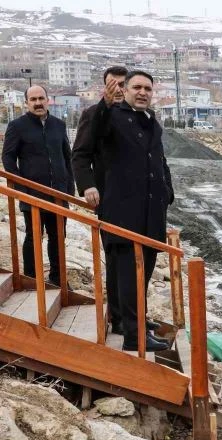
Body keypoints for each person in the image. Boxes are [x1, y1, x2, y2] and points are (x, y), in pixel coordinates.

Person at [93, 70, 174, 352]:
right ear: (125, 90)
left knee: (144, 274)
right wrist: (104, 104)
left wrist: (167, 192)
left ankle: (138, 324)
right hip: (124, 214)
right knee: (129, 276)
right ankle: (133, 336)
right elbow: (95, 132)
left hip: (151, 213)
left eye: (147, 89)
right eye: (137, 87)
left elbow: (159, 160)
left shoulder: (150, 120)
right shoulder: (112, 117)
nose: (142, 92)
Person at [72, 66, 127, 334]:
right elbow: (80, 154)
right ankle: (119, 318)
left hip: (138, 200)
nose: (118, 89)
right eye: (112, 84)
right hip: (110, 199)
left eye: (122, 84)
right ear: (104, 87)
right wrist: (87, 185)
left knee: (139, 259)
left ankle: (137, 314)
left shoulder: (138, 115)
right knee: (116, 259)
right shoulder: (92, 114)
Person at [1, 85, 74, 286]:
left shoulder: (59, 125)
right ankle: (31, 279)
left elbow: (67, 158)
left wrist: (69, 189)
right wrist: (20, 189)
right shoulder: (17, 126)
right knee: (33, 237)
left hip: (58, 194)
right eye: (33, 100)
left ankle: (58, 278)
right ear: (26, 103)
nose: (38, 103)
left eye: (41, 98)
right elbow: (8, 158)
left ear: (47, 100)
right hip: (31, 194)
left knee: (58, 237)